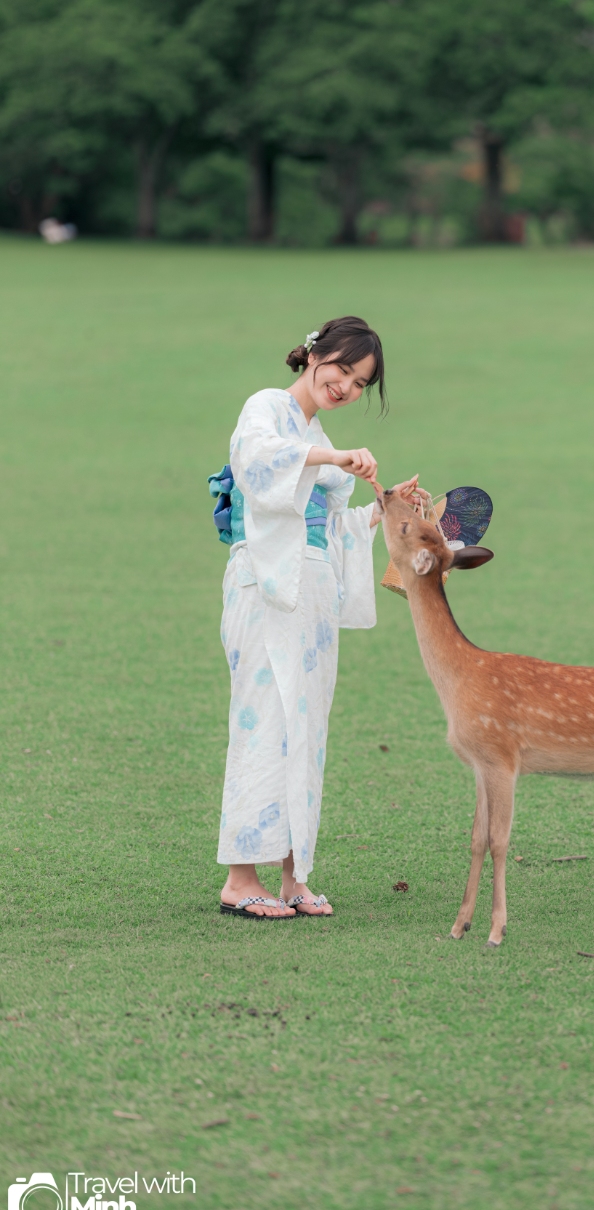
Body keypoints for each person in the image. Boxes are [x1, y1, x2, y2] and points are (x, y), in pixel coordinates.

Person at [214, 315, 417, 919]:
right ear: (313, 355)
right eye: (342, 370)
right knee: (263, 719)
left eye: (360, 383)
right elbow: (258, 463)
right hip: (265, 585)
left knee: (307, 727)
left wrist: (381, 512)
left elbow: (326, 529)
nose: (347, 387)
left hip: (312, 592)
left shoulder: (317, 434)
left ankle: (293, 873)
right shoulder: (268, 409)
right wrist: (333, 456)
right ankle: (239, 878)